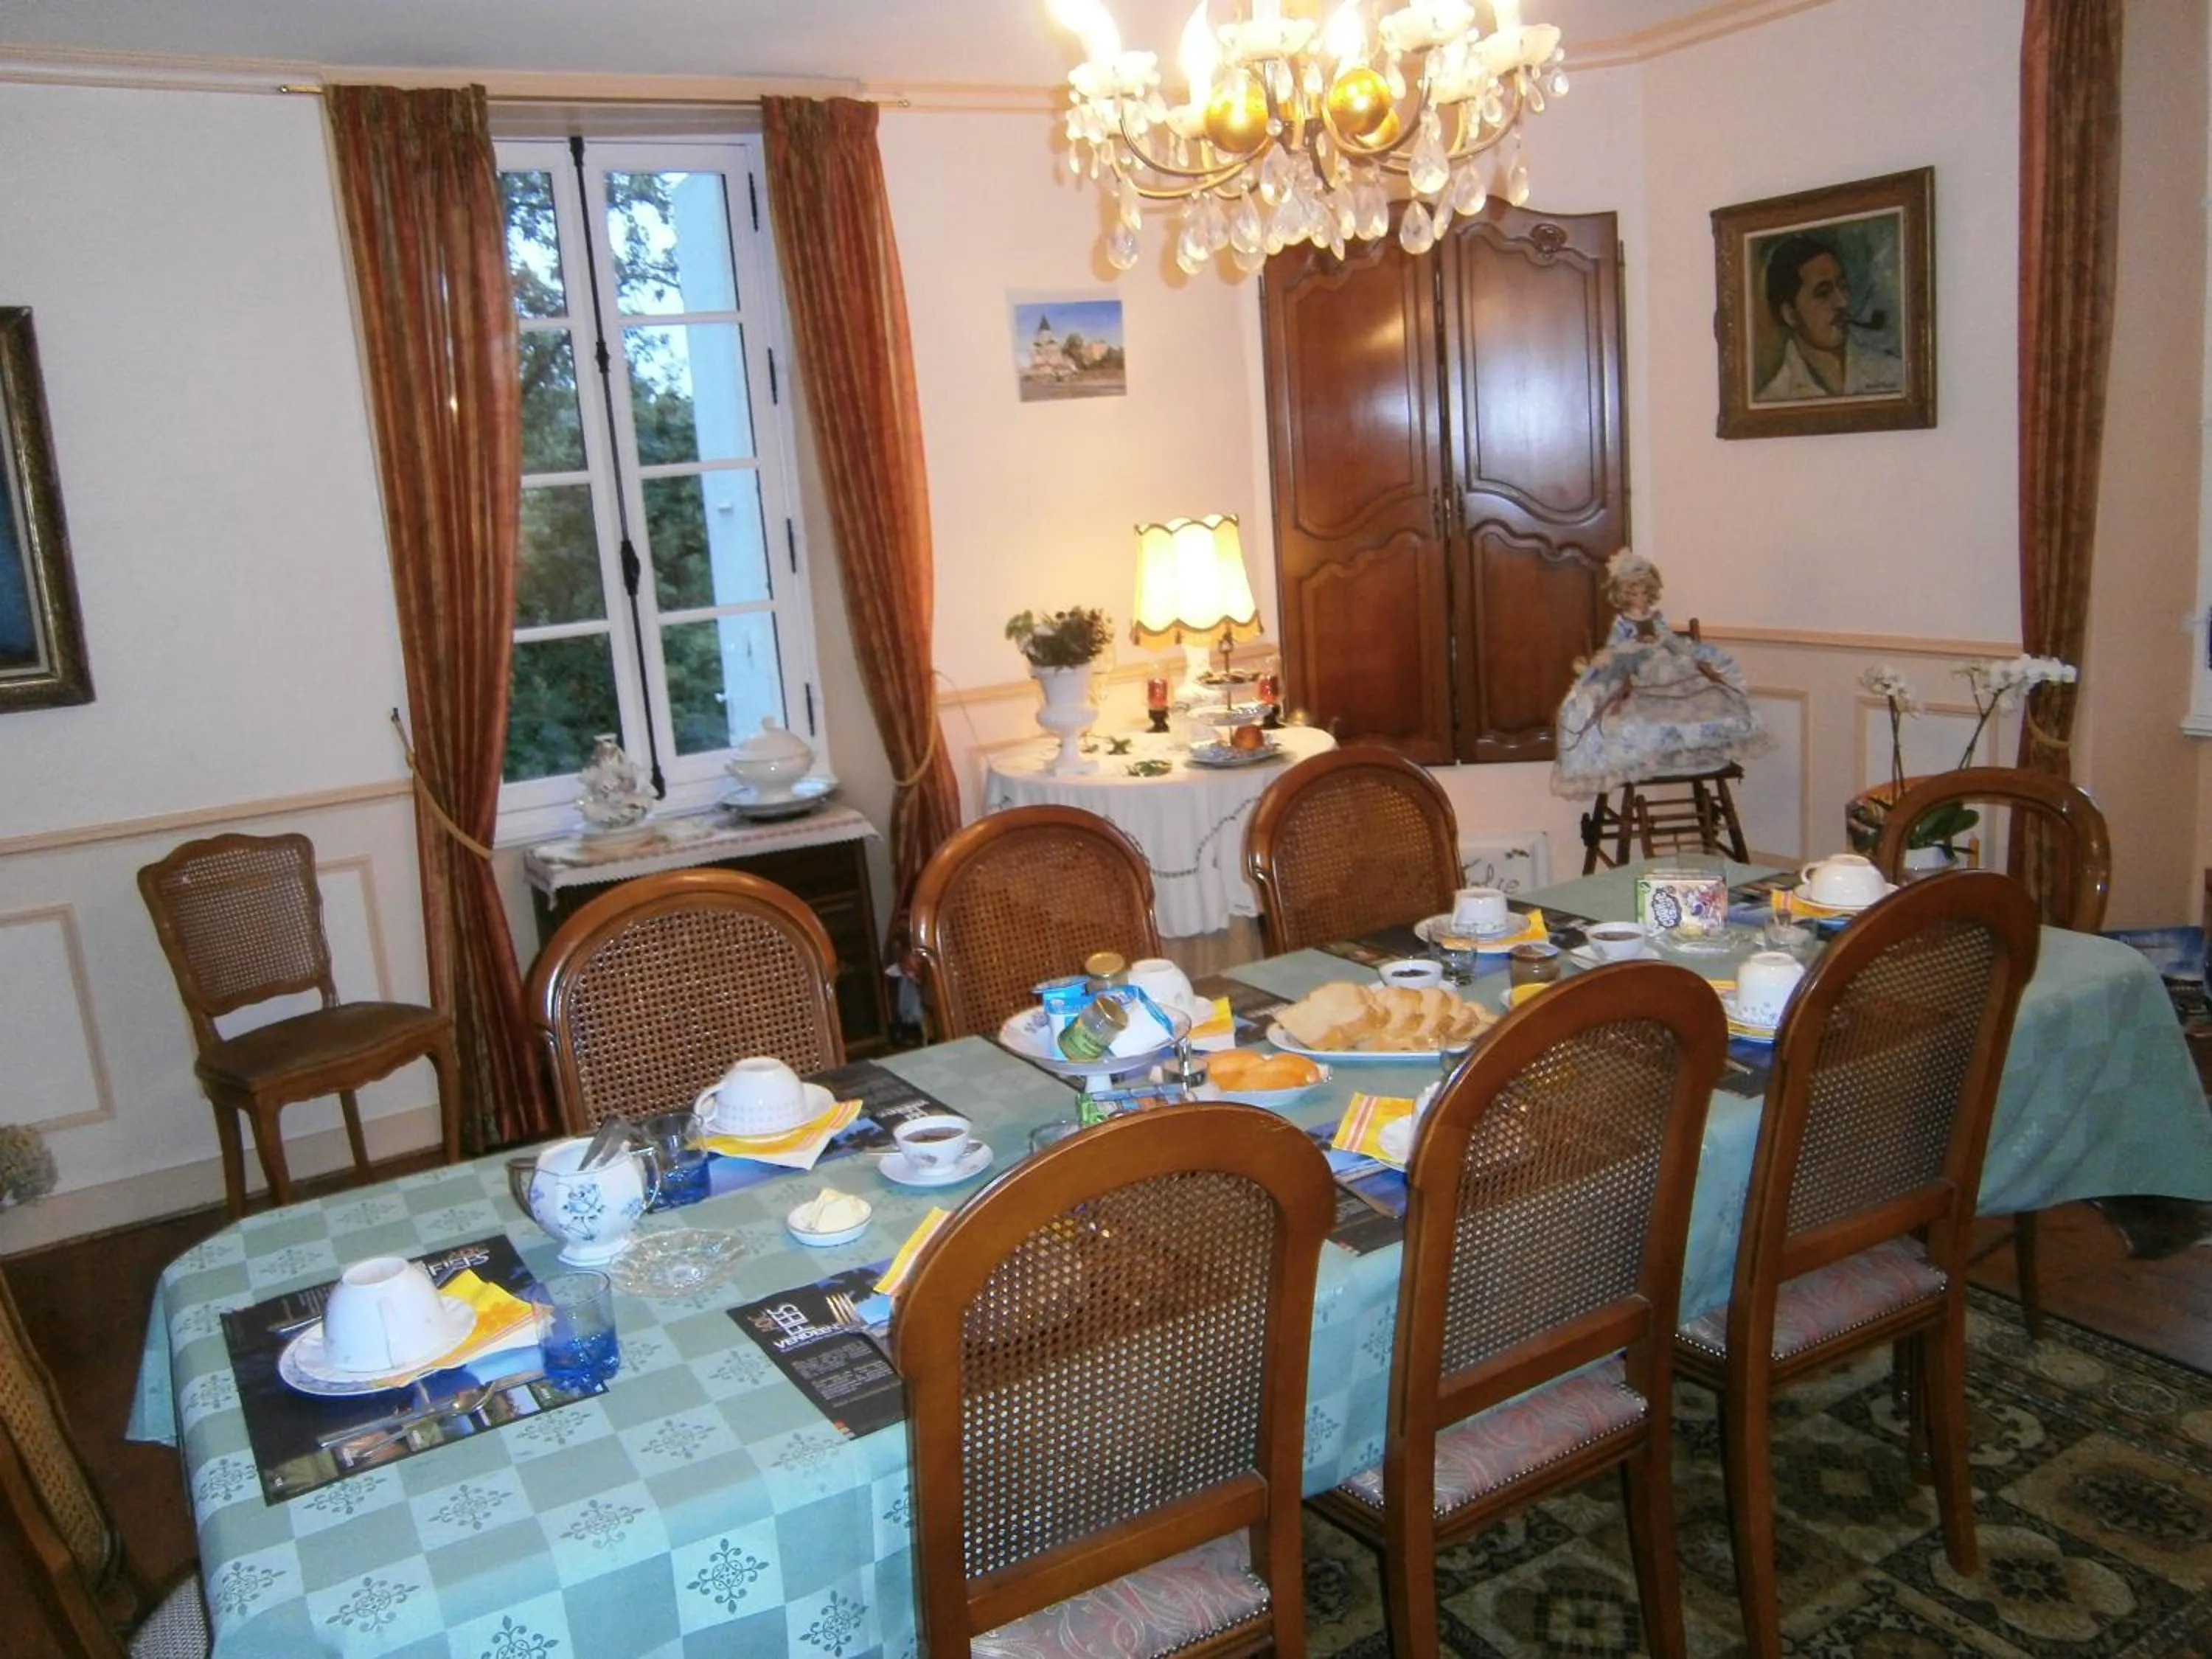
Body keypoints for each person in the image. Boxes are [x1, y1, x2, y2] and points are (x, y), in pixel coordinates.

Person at [1551, 550, 1767, 797]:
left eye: (1644, 593)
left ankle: (1693, 749)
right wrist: (1631, 648)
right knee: (1630, 703)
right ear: (1623, 596)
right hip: (1635, 665)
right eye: (1633, 594)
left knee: (1697, 689)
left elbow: (1671, 640)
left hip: (1663, 662)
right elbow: (1616, 646)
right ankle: (1647, 750)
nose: (1640, 599)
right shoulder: (1623, 622)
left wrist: (1685, 653)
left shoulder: (1656, 618)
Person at [1755, 232, 1904, 403]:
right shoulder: (1774, 399)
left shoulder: (1894, 373)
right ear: (1791, 315)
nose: (1842, 302)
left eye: (1843, 287)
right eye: (1823, 293)